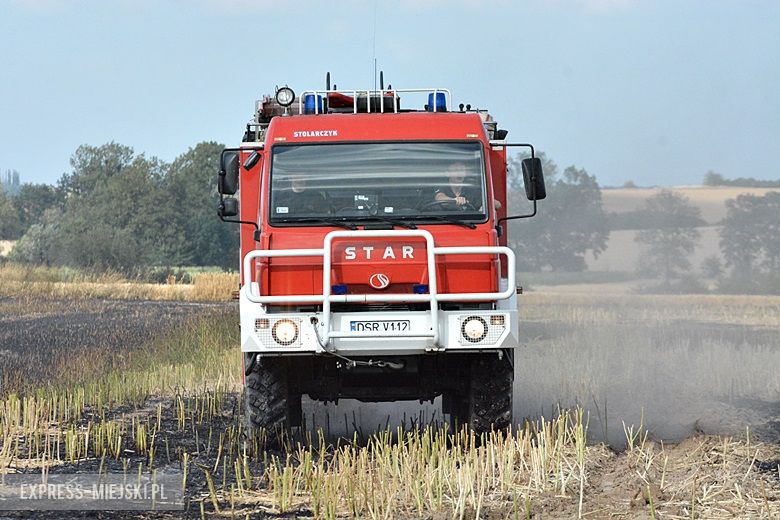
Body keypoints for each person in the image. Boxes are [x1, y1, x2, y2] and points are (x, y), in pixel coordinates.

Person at [433, 162, 502, 211]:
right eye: (456, 170)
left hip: (468, 224)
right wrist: (454, 200)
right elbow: (439, 197)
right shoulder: (441, 186)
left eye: (462, 171)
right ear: (447, 174)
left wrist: (484, 207)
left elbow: (498, 205)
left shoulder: (472, 192)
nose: (459, 173)